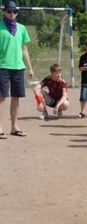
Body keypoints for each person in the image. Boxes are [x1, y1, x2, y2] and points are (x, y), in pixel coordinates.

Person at [0, 0, 34, 139]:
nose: (12, 14)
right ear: (4, 11)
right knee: (1, 98)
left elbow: (24, 48)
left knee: (16, 98)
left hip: (18, 67)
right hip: (2, 67)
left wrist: (30, 67)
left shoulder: (21, 28)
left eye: (15, 11)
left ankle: (14, 127)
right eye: (9, 11)